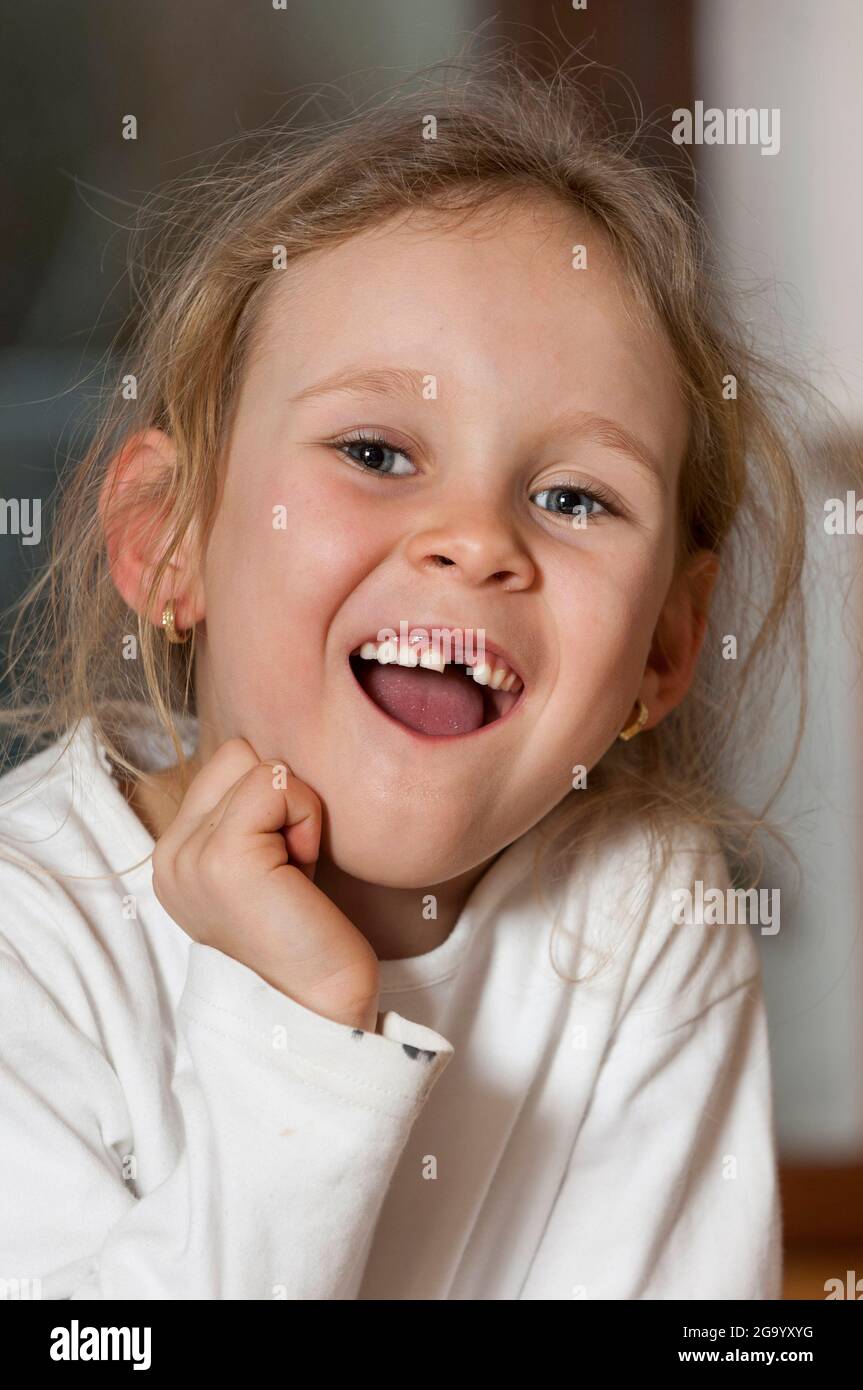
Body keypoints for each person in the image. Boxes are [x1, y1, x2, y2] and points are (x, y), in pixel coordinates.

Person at [0, 50, 809, 1300]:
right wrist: (303, 1019)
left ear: (660, 648)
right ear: (165, 539)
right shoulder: (28, 937)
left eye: (571, 496)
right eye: (376, 450)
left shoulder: (644, 914)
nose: (477, 538)